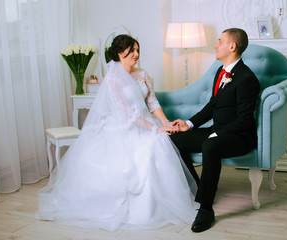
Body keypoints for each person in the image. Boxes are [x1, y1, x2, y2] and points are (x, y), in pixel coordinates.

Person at [36, 35, 198, 231]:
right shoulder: (113, 79)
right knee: (147, 149)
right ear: (121, 53)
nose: (137, 55)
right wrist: (155, 128)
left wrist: (165, 123)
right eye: (133, 51)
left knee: (162, 142)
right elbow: (127, 114)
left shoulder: (143, 74)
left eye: (138, 50)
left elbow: (152, 102)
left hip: (147, 121)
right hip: (127, 126)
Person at [170, 28, 260, 233]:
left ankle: (206, 209)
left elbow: (245, 120)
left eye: (219, 41)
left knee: (211, 144)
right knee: (175, 140)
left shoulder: (247, 78)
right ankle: (198, 189)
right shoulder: (221, 72)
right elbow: (212, 106)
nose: (215, 45)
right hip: (217, 131)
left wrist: (217, 134)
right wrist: (188, 124)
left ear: (232, 46)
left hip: (239, 137)